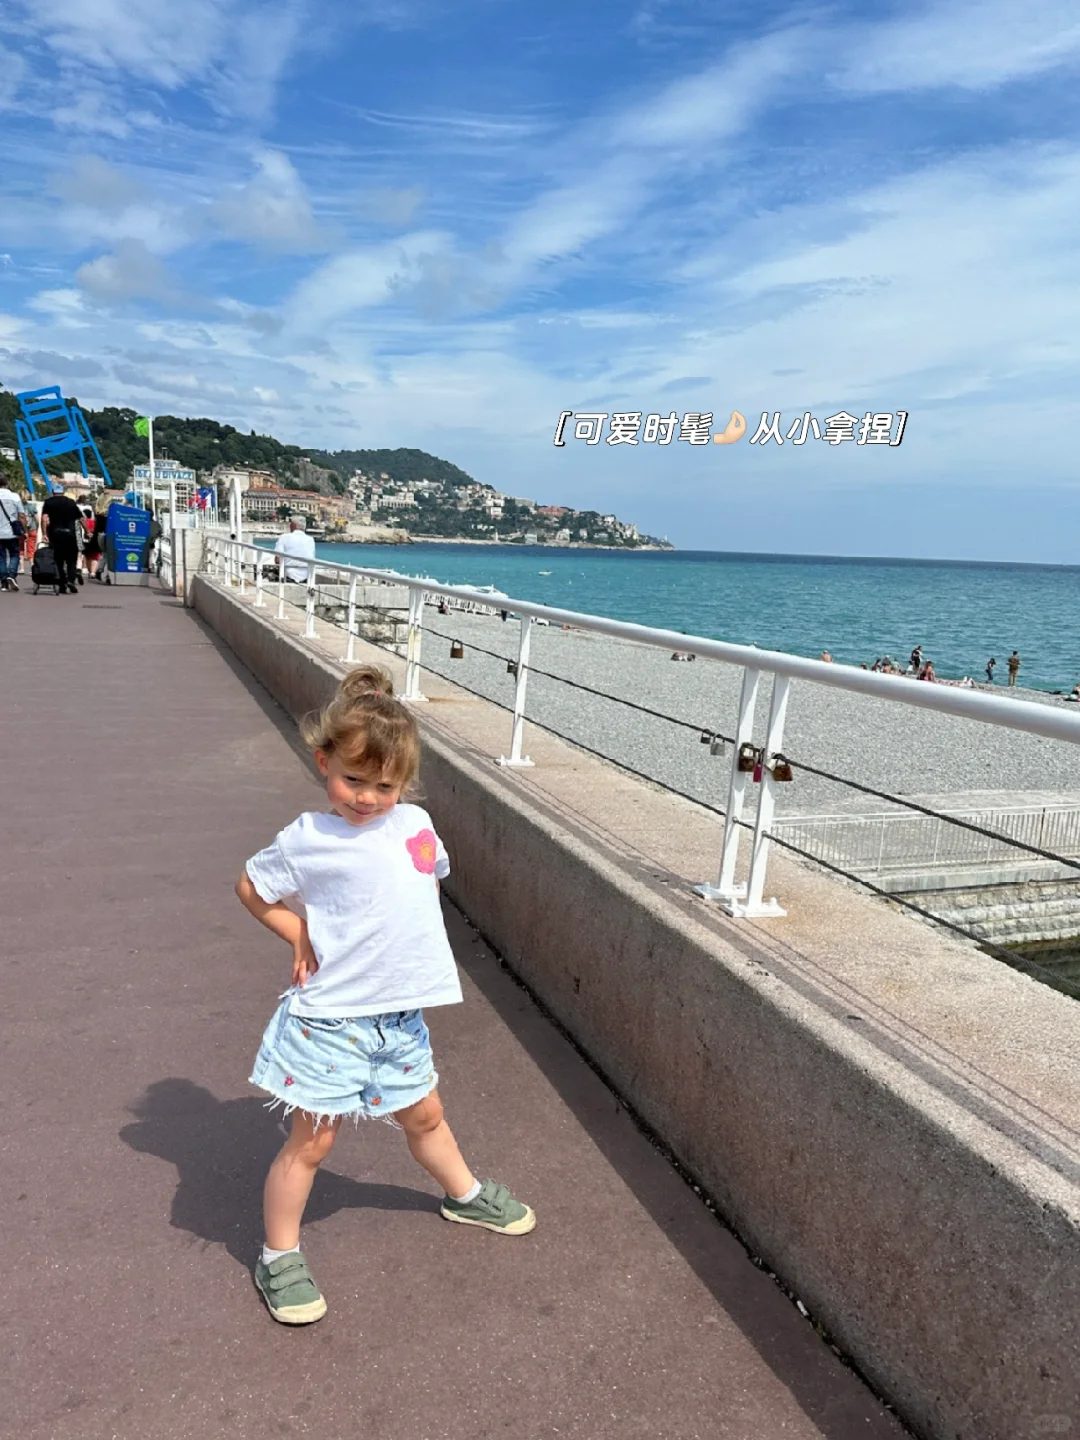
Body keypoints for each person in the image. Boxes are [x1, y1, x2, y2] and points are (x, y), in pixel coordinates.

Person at [235, 664, 535, 1325]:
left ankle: (464, 1194)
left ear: (406, 783)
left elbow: (418, 890)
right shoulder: (308, 839)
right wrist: (297, 931)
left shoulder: (416, 827)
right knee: (312, 1143)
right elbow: (252, 887)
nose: (368, 798)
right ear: (323, 762)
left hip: (399, 1020)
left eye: (385, 786)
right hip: (332, 1020)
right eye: (353, 780)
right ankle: (277, 1255)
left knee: (426, 1116)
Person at [40, 485, 85, 594]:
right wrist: (87, 531)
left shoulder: (49, 502)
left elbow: (44, 518)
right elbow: (81, 518)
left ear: (53, 492)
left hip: (55, 534)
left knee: (58, 561)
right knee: (71, 561)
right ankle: (71, 580)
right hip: (70, 535)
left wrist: (44, 533)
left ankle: (62, 583)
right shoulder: (71, 502)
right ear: (63, 492)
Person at [0, 481, 29, 592]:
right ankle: (11, 575)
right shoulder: (14, 496)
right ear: (6, 484)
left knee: (1, 557)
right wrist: (25, 530)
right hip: (12, 532)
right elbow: (21, 516)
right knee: (14, 554)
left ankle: (3, 582)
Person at [273, 518, 317, 583]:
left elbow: (278, 560)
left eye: (290, 524)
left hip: (288, 575)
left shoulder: (284, 537)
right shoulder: (311, 540)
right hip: (306, 576)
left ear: (293, 525)